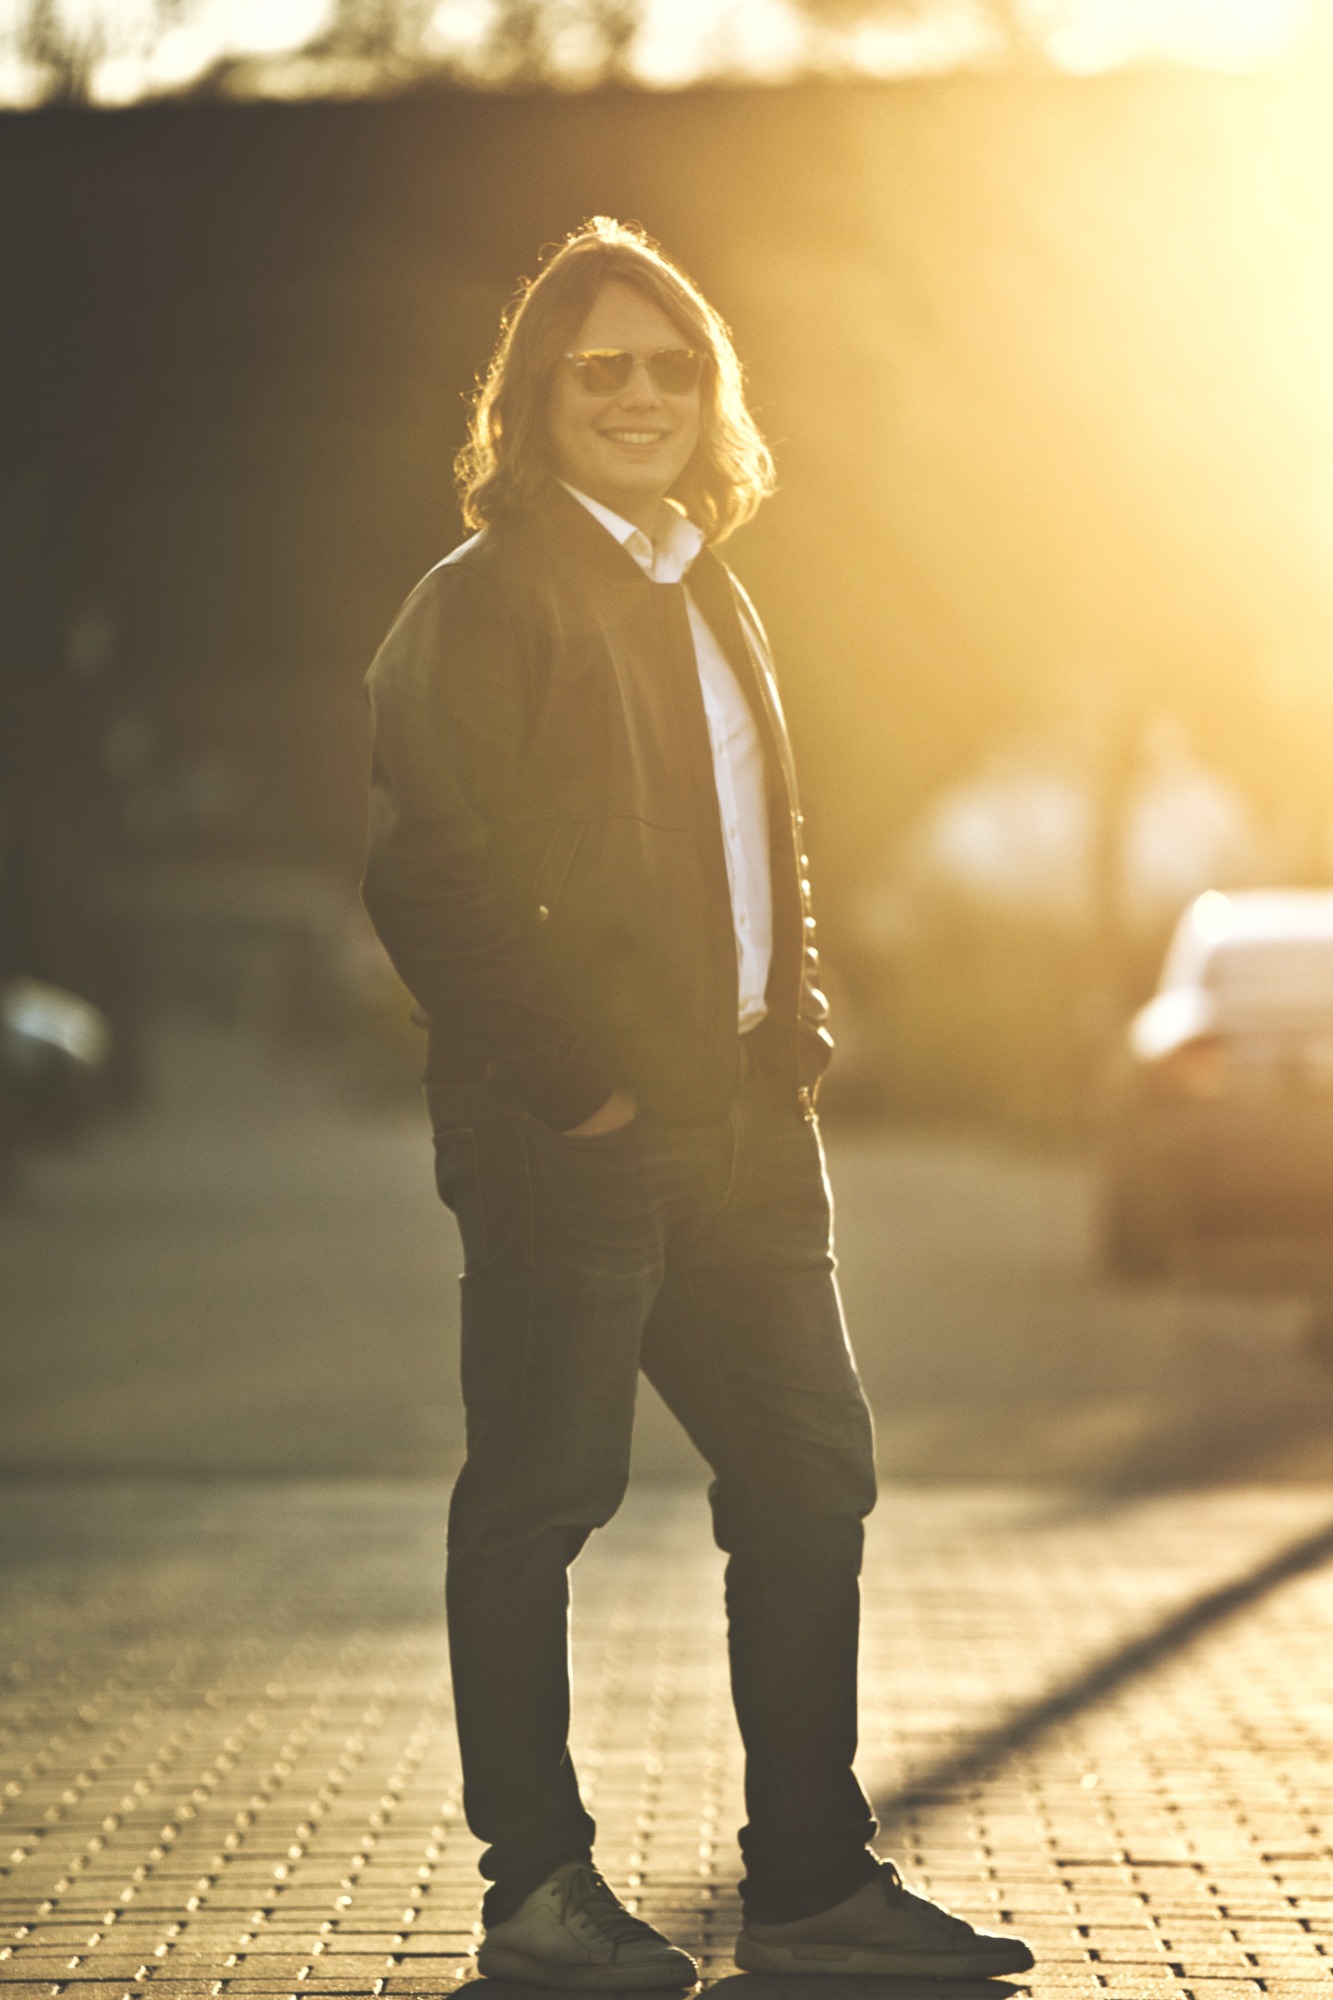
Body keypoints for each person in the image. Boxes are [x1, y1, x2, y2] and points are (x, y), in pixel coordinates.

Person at [362, 217, 1034, 1989]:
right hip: (572, 1140)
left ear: (708, 393)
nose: (640, 394)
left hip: (746, 1125)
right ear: (536, 399)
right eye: (601, 367)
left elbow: (763, 838)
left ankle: (807, 1883)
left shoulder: (704, 581)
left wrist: (788, 1027)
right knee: (542, 1498)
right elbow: (428, 878)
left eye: (672, 366)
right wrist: (574, 1087)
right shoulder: (481, 599)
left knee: (810, 1476)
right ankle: (536, 1894)